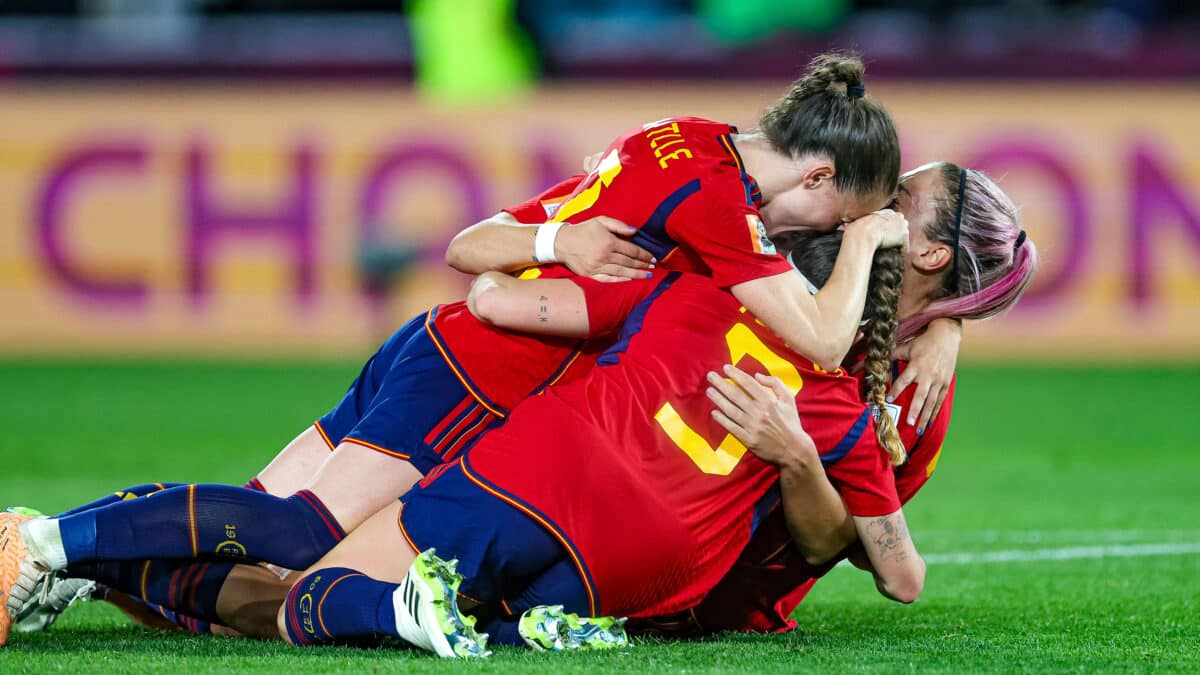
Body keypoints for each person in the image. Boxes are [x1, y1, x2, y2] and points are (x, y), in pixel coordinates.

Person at [0, 50, 914, 647]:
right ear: (819, 175)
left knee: (268, 533)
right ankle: (43, 544)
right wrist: (874, 243)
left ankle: (81, 565)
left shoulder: (677, 141)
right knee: (302, 542)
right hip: (485, 372)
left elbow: (472, 253)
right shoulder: (724, 216)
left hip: (444, 338)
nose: (805, 247)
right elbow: (828, 337)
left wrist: (553, 248)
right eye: (829, 219)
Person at [637, 161, 1038, 636]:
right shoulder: (826, 264)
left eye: (898, 199)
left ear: (932, 255)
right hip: (635, 512)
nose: (874, 200)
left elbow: (838, 543)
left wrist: (796, 457)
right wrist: (949, 323)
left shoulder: (908, 391)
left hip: (705, 604)